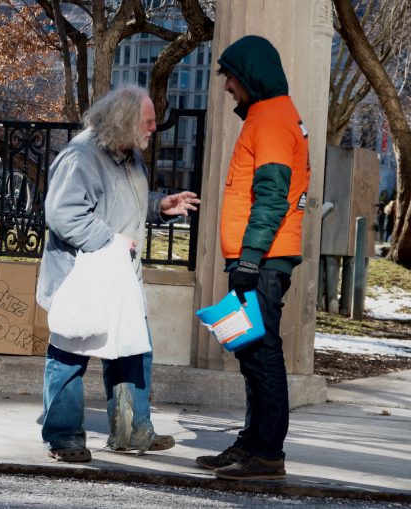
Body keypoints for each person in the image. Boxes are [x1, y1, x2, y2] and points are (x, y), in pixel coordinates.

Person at [36, 85, 200, 463]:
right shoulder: (80, 156)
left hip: (121, 278)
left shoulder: (129, 156)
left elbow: (123, 205)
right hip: (81, 278)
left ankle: (131, 430)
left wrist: (160, 205)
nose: (154, 128)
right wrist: (111, 241)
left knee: (133, 352)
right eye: (148, 121)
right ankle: (63, 437)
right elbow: (63, 215)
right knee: (69, 356)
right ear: (125, 121)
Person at [194, 35, 310, 481]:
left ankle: (267, 454)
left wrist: (249, 258)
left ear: (250, 75)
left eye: (230, 76)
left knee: (261, 355)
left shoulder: (273, 120)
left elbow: (272, 196)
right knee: (251, 354)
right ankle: (252, 443)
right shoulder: (266, 116)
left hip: (261, 261)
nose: (226, 86)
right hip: (258, 258)